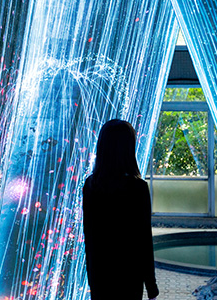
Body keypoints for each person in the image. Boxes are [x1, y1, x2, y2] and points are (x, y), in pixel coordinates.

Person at [82, 119, 159, 300]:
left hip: (101, 275)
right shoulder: (137, 188)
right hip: (129, 275)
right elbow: (143, 240)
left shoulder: (91, 186)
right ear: (128, 149)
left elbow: (90, 236)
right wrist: (151, 286)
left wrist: (92, 279)